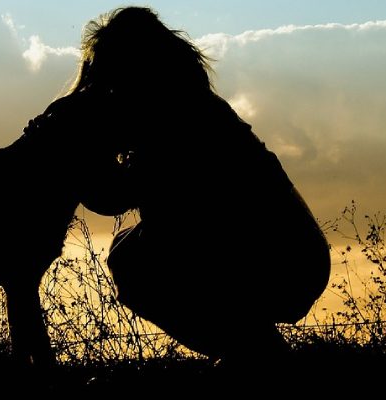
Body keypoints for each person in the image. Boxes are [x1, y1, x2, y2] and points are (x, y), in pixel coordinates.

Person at [68, 7, 331, 365]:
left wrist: (70, 154)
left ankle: (252, 352)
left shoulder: (170, 123)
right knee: (140, 248)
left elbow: (110, 196)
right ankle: (254, 350)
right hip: (298, 258)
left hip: (271, 262)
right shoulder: (199, 107)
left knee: (132, 260)